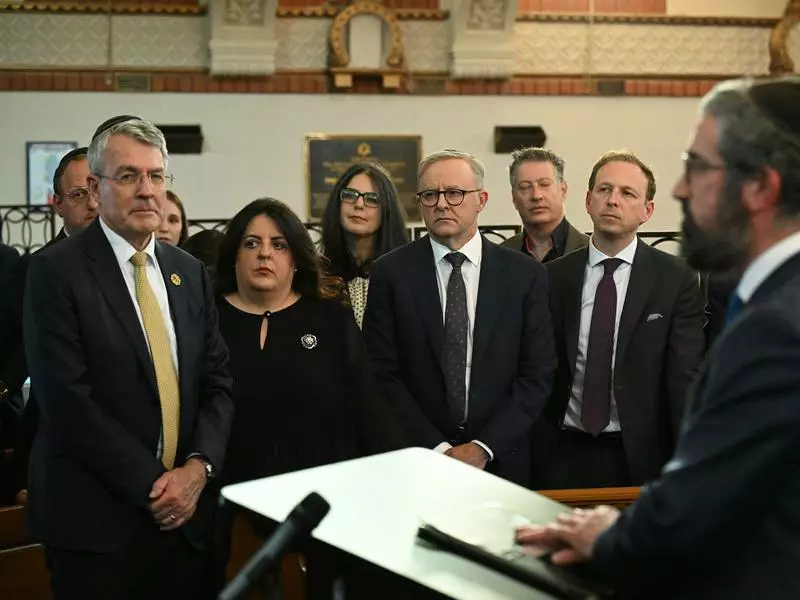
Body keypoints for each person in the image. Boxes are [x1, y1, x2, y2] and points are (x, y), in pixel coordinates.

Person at [517, 76, 800, 599]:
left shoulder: (777, 328)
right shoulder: (772, 303)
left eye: (698, 167)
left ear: (761, 188)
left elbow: (706, 502)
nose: (679, 190)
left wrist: (609, 536)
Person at [23, 116, 234, 599]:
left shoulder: (189, 272)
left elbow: (218, 381)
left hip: (186, 525)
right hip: (97, 527)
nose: (146, 190)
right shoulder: (55, 271)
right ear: (96, 188)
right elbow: (67, 402)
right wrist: (158, 487)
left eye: (156, 176)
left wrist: (198, 469)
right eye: (128, 176)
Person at [214, 198, 404, 593]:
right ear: (234, 255)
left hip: (320, 509)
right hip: (228, 510)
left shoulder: (330, 319)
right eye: (251, 243)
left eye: (279, 244)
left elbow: (368, 410)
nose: (264, 253)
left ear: (296, 258)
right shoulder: (207, 318)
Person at [363, 149, 555, 487]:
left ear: (481, 200)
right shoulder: (391, 273)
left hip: (501, 462)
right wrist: (437, 449)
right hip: (417, 462)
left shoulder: (524, 275)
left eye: (454, 193)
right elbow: (381, 373)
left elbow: (536, 374)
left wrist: (483, 448)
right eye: (429, 195)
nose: (441, 204)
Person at [531, 151, 705, 489]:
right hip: (559, 452)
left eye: (627, 193)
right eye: (604, 190)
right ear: (588, 200)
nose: (613, 200)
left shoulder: (675, 279)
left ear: (647, 211)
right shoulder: (552, 277)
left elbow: (683, 377)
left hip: (639, 456)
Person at [3, 146, 98, 503]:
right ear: (57, 204)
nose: (93, 203)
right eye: (79, 194)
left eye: (97, 189)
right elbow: (20, 347)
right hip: (56, 431)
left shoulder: (136, 264)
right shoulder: (39, 267)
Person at [320, 162, 408, 328]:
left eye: (372, 199)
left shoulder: (406, 274)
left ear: (387, 210)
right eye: (349, 195)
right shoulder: (317, 273)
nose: (359, 204)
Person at [502, 147, 588, 261]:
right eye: (525, 187)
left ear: (563, 190)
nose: (536, 196)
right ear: (514, 197)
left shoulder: (591, 252)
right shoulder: (500, 255)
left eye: (545, 184)